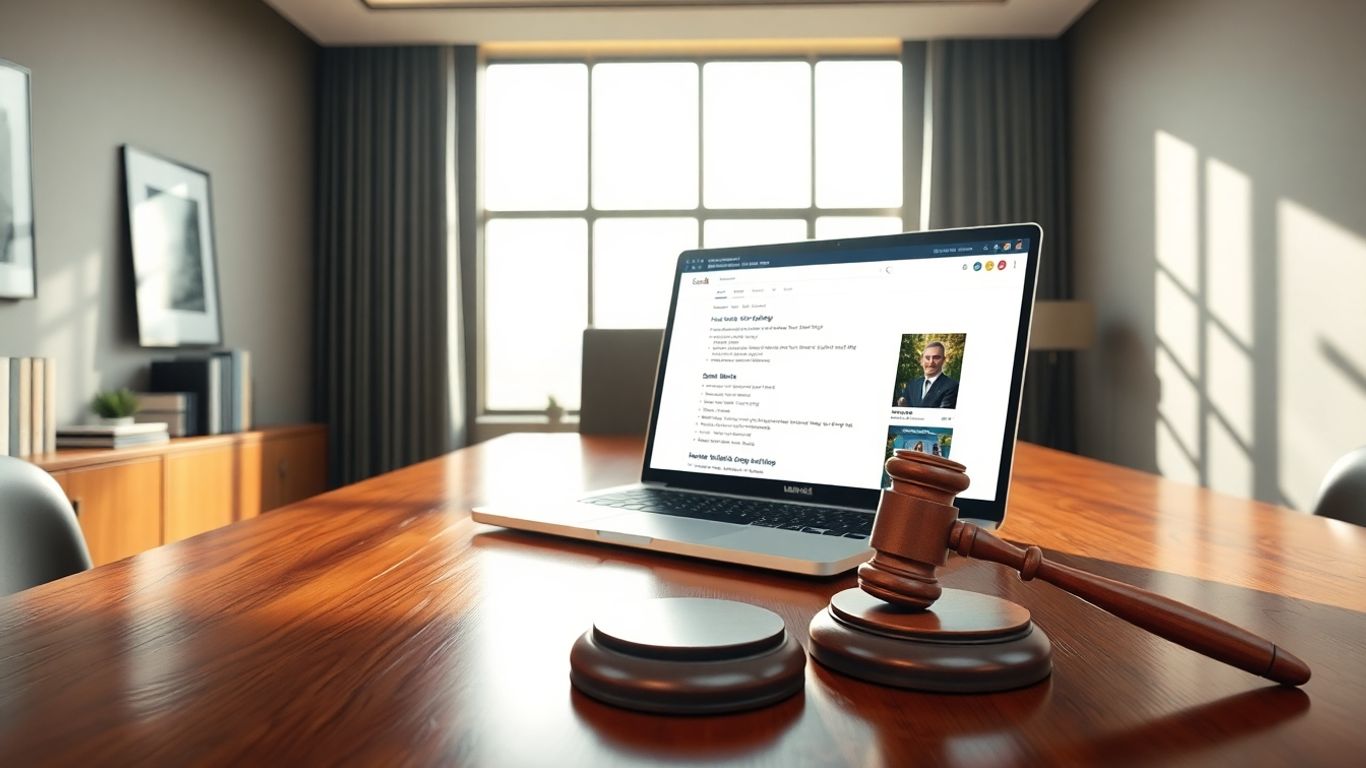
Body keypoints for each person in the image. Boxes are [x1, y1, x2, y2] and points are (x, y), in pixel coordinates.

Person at [896, 341, 959, 408]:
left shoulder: (952, 386)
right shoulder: (912, 385)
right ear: (921, 360)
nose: (931, 362)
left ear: (943, 360)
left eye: (936, 357)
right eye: (927, 358)